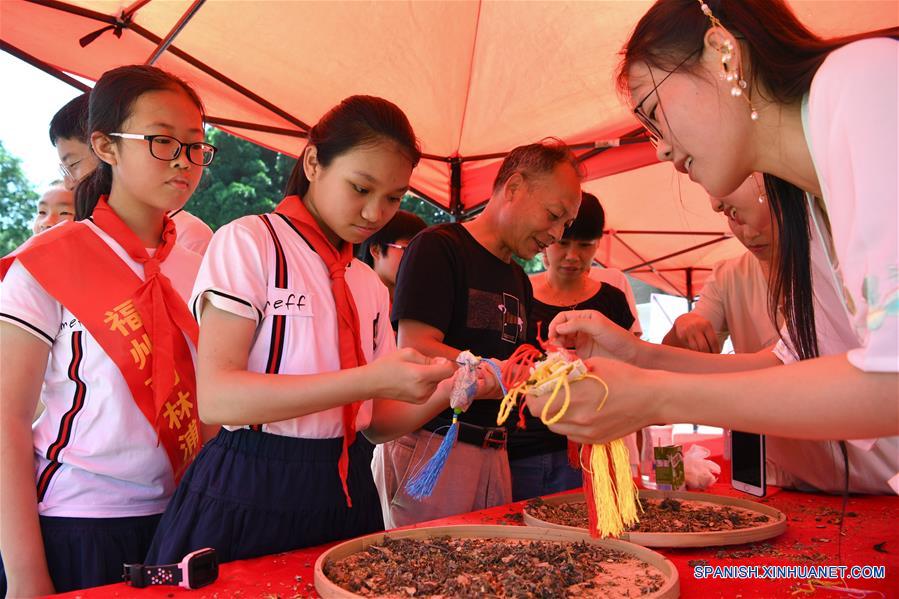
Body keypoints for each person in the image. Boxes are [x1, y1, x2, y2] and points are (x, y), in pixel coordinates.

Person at [528, 0, 898, 495]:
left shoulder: (865, 83)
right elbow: (790, 365)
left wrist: (656, 396)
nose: (659, 147)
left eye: (655, 112)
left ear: (723, 52)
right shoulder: (809, 206)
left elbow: (889, 379)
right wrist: (636, 358)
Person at [143, 95, 459, 566]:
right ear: (313, 162)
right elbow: (218, 398)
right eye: (360, 188)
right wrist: (371, 379)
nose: (375, 213)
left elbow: (373, 425)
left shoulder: (366, 282)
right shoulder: (249, 242)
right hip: (251, 482)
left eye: (393, 198)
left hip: (347, 489)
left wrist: (453, 386)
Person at [0, 65, 214, 596]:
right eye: (163, 141)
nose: (184, 162)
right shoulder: (46, 264)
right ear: (107, 147)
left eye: (195, 146)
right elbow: (6, 418)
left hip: (184, 515)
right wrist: (26, 574)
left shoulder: (200, 269)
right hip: (79, 520)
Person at [372, 140, 582, 528]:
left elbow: (513, 369)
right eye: (553, 215)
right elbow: (417, 349)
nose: (555, 234)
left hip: (497, 451)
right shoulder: (438, 248)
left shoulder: (519, 278)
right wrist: (498, 370)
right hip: (436, 445)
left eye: (565, 225)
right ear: (513, 187)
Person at [512, 191, 635, 501]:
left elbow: (634, 367)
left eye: (585, 245)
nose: (572, 256)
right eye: (563, 243)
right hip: (523, 448)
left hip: (595, 447)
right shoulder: (519, 291)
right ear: (547, 240)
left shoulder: (612, 300)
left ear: (598, 244)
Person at [50, 93, 214, 255]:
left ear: (105, 148)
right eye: (163, 140)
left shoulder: (189, 237)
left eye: (72, 164)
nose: (69, 183)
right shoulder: (53, 249)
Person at [663, 173, 779, 354]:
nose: (750, 234)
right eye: (733, 215)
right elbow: (673, 355)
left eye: (759, 210)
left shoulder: (830, 263)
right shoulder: (728, 276)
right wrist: (683, 326)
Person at [358, 209, 427, 303]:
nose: (417, 258)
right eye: (407, 249)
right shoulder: (358, 298)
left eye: (422, 251)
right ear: (376, 250)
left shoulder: (419, 305)